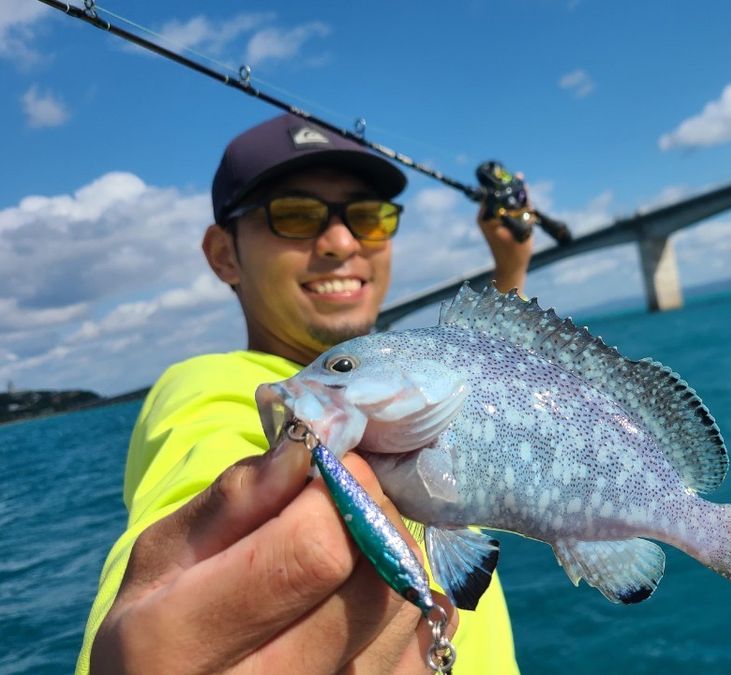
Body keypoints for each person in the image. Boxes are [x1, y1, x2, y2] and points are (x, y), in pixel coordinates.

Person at [77, 114, 533, 674]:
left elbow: (488, 369)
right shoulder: (210, 387)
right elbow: (185, 516)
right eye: (294, 216)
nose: (342, 243)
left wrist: (511, 266)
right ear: (224, 255)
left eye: (368, 217)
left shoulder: (412, 377)